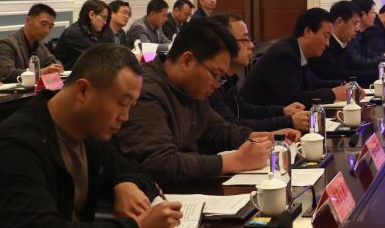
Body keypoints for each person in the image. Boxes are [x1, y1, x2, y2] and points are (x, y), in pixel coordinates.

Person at [0, 44, 183, 228]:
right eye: (122, 103)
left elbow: (135, 169)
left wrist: (125, 183)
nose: (125, 117)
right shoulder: (16, 145)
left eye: (131, 106)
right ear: (82, 90)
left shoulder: (88, 133)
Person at [114, 19, 296, 187]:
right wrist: (234, 161)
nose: (217, 85)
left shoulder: (191, 89)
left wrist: (264, 138)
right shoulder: (146, 91)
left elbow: (218, 130)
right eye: (215, 75)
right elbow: (159, 164)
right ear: (187, 61)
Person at [209, 13, 310, 133]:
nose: (251, 45)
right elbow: (233, 126)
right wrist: (288, 121)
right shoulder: (211, 85)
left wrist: (283, 111)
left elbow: (243, 109)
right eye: (245, 40)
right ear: (224, 44)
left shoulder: (228, 79)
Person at [241, 8, 350, 108]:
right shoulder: (284, 55)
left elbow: (312, 83)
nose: (327, 43)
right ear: (308, 32)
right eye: (325, 36)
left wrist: (342, 85)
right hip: (258, 118)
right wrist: (332, 94)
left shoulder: (297, 49)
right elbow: (291, 99)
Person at [309, 1, 385, 87]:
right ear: (340, 21)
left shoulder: (345, 43)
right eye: (355, 23)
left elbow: (356, 67)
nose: (357, 29)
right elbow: (341, 75)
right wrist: (379, 73)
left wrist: (381, 70)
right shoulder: (325, 46)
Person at [0, 3, 63, 82]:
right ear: (28, 20)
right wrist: (41, 72)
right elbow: (6, 74)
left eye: (50, 26)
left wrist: (56, 68)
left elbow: (53, 61)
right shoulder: (7, 44)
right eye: (43, 24)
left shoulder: (40, 45)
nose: (47, 30)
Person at [55, 0, 111, 69]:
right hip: (69, 75)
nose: (105, 22)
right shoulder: (74, 33)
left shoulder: (96, 32)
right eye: (104, 18)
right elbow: (99, 55)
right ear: (91, 15)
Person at [350, 0, 385, 65]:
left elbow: (370, 56)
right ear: (363, 14)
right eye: (373, 12)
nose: (375, 16)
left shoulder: (363, 34)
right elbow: (358, 62)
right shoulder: (352, 37)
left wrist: (384, 59)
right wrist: (383, 58)